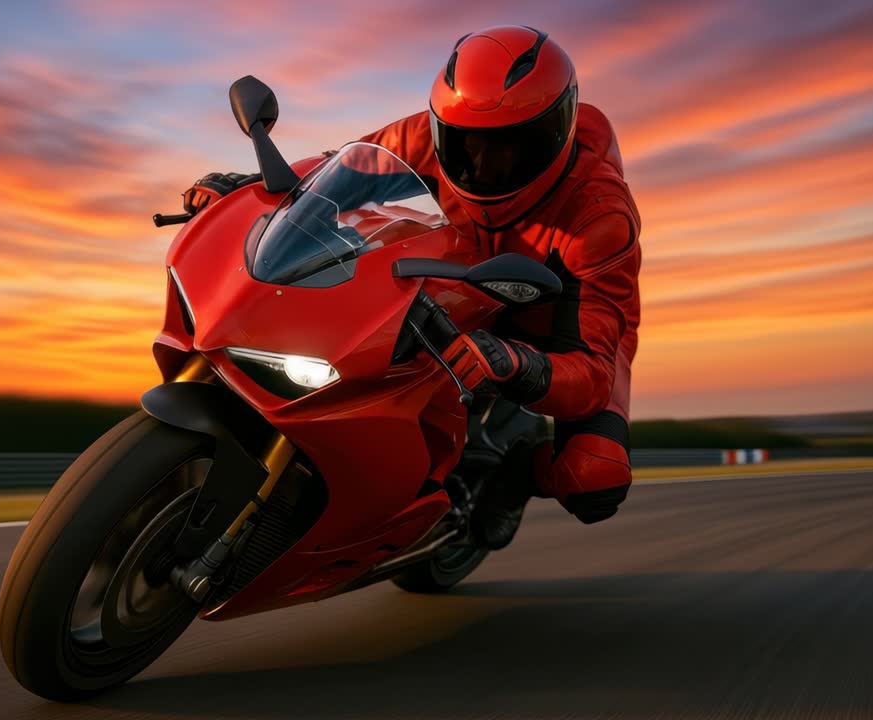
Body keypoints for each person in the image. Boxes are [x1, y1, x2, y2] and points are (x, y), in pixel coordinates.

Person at [184, 25, 642, 549]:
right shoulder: (425, 136)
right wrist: (247, 190)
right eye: (466, 144)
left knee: (594, 475)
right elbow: (339, 173)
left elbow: (593, 372)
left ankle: (515, 475)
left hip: (554, 317)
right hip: (461, 278)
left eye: (510, 149)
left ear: (557, 132)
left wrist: (518, 362)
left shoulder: (601, 217)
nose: (482, 165)